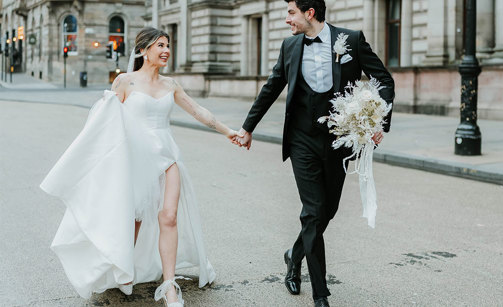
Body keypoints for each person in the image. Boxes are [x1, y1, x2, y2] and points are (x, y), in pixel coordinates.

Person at [40, 27, 238, 307]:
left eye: (168, 45)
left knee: (168, 217)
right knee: (133, 218)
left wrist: (228, 131)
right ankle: (124, 267)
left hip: (168, 155)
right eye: (160, 45)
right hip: (135, 158)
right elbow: (104, 124)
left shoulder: (171, 85)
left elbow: (198, 111)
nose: (166, 50)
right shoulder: (124, 82)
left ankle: (169, 287)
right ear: (144, 50)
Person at [233, 1, 395, 306]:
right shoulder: (289, 46)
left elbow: (383, 80)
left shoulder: (351, 40)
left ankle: (293, 256)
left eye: (291, 13)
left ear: (310, 13)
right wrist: (247, 127)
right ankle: (321, 294)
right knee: (312, 211)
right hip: (301, 140)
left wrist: (378, 121)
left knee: (327, 211)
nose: (286, 20)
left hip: (339, 141)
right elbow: (272, 87)